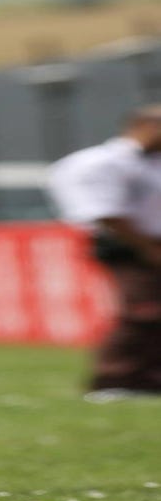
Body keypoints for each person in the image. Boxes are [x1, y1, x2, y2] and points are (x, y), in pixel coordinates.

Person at [47, 105, 161, 402]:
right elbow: (106, 214)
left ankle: (148, 378)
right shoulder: (100, 162)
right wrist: (147, 248)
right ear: (148, 126)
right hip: (128, 245)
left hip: (147, 242)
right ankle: (114, 378)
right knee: (145, 310)